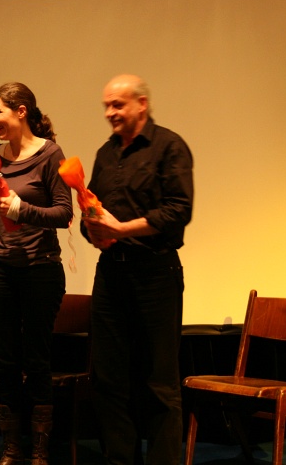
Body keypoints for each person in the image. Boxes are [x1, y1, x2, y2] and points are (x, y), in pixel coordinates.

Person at [81, 74, 193, 465]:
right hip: (111, 274)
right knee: (109, 379)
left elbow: (178, 211)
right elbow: (93, 209)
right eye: (106, 106)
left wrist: (122, 229)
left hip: (155, 274)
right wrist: (93, 230)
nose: (110, 113)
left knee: (160, 382)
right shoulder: (105, 154)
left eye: (118, 105)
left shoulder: (169, 146)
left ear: (141, 104)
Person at [0, 82, 73, 465]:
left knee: (36, 358)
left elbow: (64, 213)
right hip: (1, 269)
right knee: (5, 360)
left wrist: (22, 210)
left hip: (39, 269)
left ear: (21, 112)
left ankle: (40, 449)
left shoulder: (50, 154)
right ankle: (12, 447)